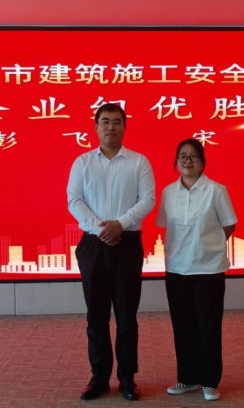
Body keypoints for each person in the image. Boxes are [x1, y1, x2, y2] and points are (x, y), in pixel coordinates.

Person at [66, 103, 156, 401]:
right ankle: (99, 378)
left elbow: (147, 200)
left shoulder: (139, 162)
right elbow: (74, 200)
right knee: (96, 316)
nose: (110, 127)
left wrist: (120, 224)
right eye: (105, 121)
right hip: (93, 244)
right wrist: (101, 228)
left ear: (124, 127)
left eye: (117, 122)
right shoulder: (82, 162)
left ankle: (128, 378)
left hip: (127, 243)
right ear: (96, 127)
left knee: (127, 316)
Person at [155, 138, 237, 402]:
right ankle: (188, 378)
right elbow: (167, 225)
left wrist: (210, 245)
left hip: (208, 268)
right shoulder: (168, 192)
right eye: (182, 156)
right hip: (177, 268)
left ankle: (210, 381)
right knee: (182, 325)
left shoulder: (216, 190)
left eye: (193, 156)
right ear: (176, 162)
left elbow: (229, 224)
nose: (187, 161)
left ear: (203, 162)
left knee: (208, 326)